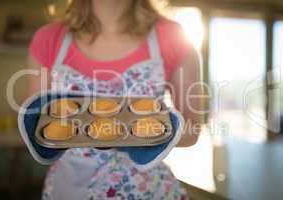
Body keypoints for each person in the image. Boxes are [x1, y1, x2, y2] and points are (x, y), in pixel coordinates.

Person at [27, 0, 201, 199]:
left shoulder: (172, 36)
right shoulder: (50, 38)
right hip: (70, 187)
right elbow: (35, 124)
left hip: (146, 189)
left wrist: (143, 137)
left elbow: (192, 129)